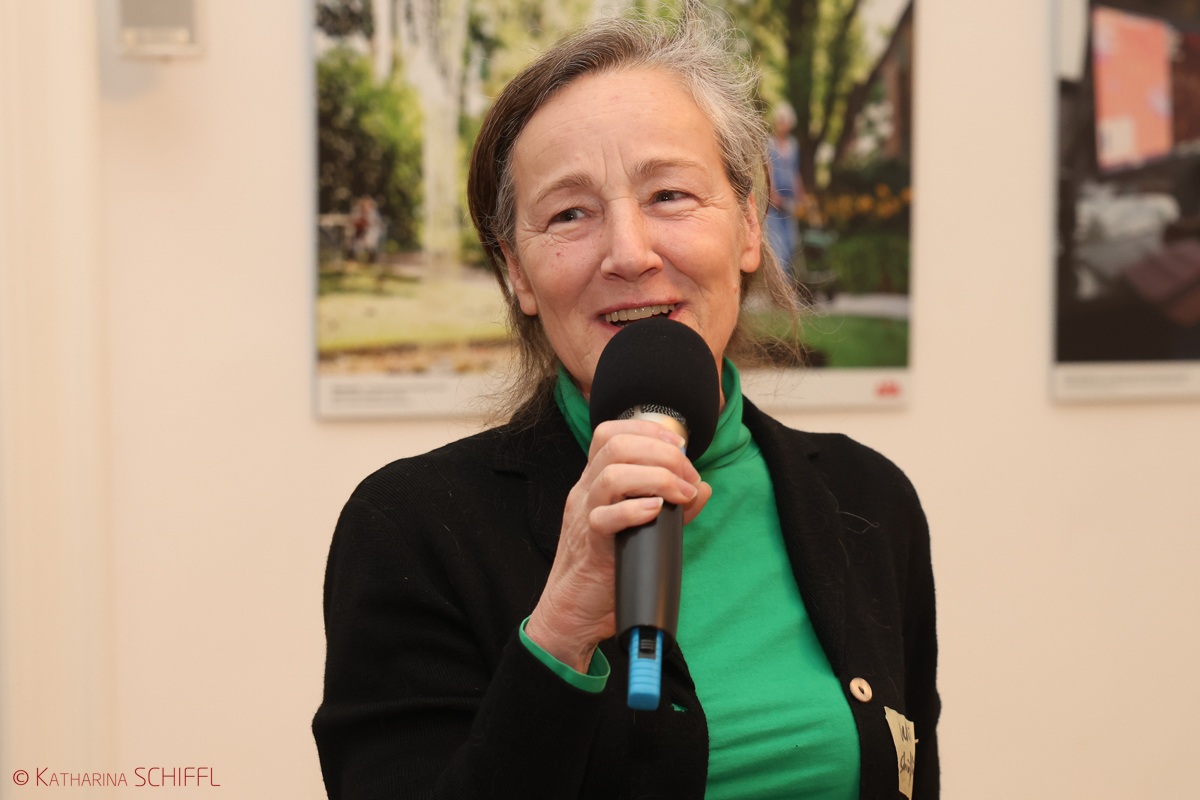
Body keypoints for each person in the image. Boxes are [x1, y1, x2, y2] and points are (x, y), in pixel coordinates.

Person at [313, 8, 938, 800]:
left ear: (750, 225)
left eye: (669, 194)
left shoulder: (868, 501)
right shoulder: (410, 527)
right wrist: (563, 627)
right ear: (517, 272)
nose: (629, 253)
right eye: (569, 213)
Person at [767, 101, 804, 279]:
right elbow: (769, 168)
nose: (783, 124)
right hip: (775, 200)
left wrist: (800, 195)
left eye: (786, 120)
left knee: (791, 243)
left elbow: (795, 171)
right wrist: (772, 193)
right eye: (781, 120)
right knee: (777, 243)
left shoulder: (793, 145)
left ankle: (786, 282)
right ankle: (779, 283)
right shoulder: (769, 144)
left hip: (789, 199)